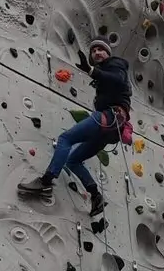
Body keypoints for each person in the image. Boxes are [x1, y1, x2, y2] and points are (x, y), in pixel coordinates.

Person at [18, 39, 132, 216]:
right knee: (73, 161)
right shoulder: (106, 75)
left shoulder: (116, 65)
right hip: (111, 128)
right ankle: (95, 196)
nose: (96, 53)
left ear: (108, 54)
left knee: (65, 139)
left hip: (109, 117)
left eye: (101, 50)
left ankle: (46, 182)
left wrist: (92, 71)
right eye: (93, 51)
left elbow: (117, 79)